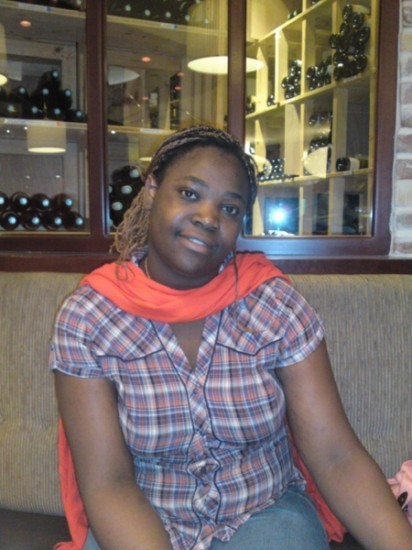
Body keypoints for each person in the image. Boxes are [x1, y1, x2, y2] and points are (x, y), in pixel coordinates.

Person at [50, 126, 412, 550]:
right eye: (189, 193)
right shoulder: (90, 316)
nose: (208, 217)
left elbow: (336, 456)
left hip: (265, 515)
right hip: (139, 516)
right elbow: (108, 482)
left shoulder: (273, 304)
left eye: (229, 208)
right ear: (151, 191)